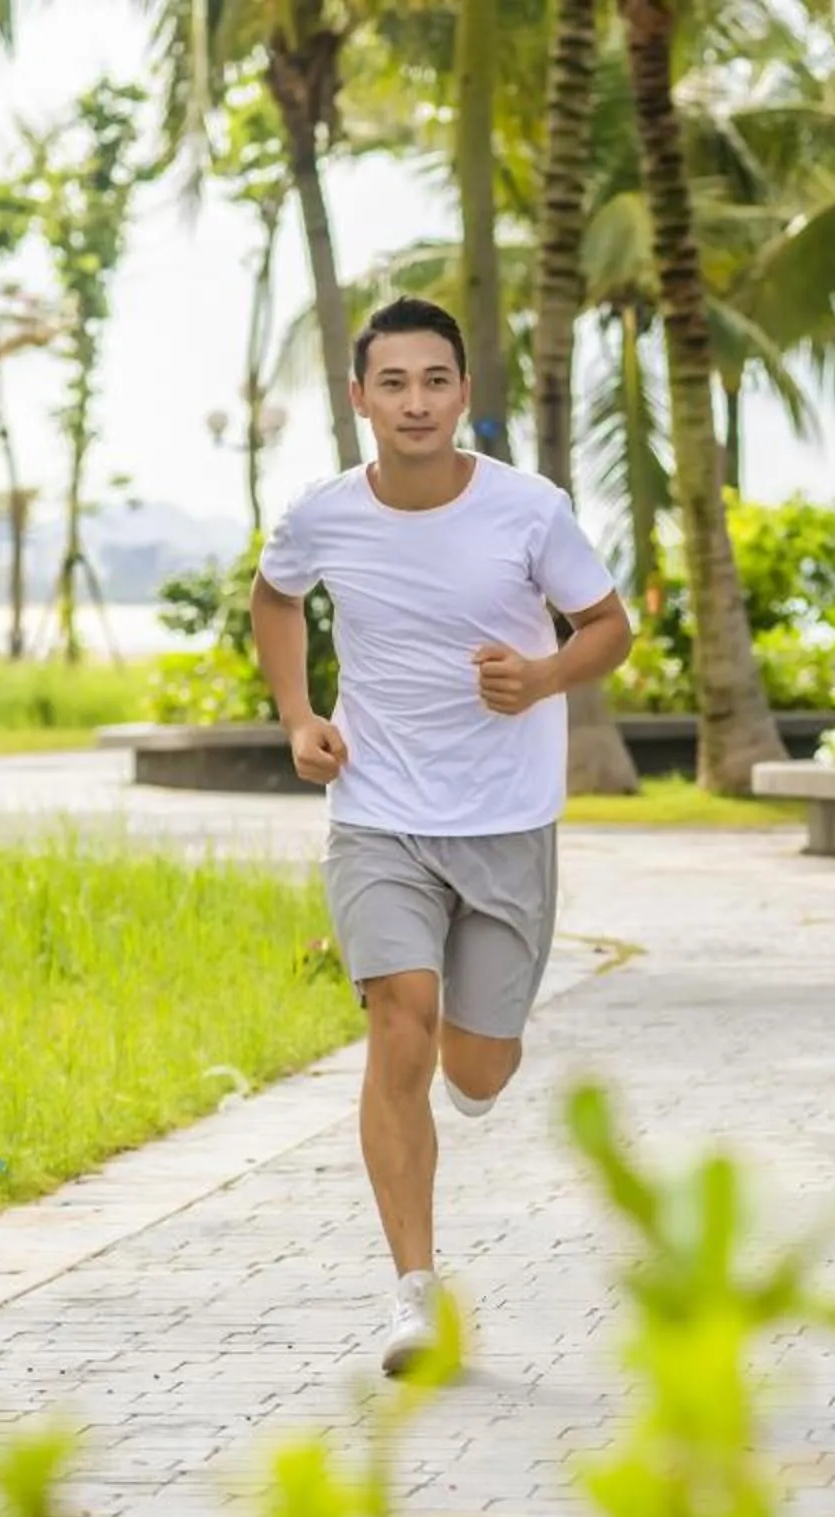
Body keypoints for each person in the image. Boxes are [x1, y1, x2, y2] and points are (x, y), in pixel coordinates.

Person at [251, 296, 634, 1378]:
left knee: (476, 1065)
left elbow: (609, 627)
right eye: (393, 382)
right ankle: (416, 1294)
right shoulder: (323, 514)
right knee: (401, 1023)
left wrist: (544, 676)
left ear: (463, 393)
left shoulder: (529, 510)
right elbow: (275, 599)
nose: (414, 402)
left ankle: (485, 1053)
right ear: (359, 398)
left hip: (506, 821)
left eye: (434, 381)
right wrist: (299, 718)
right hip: (377, 813)